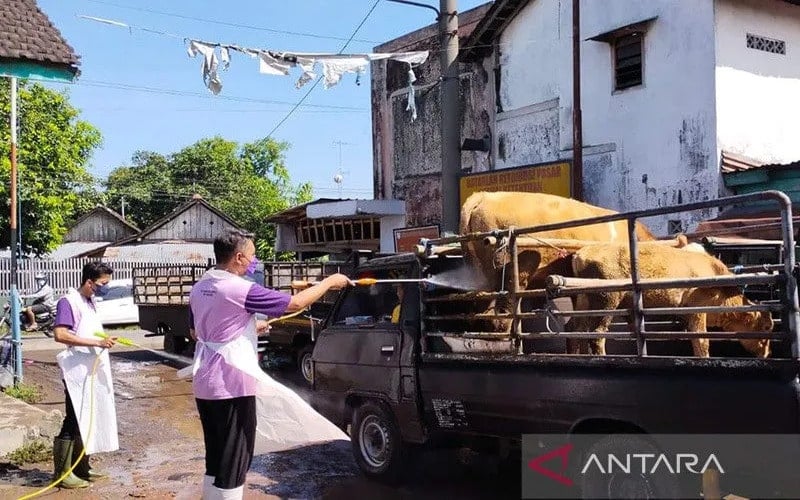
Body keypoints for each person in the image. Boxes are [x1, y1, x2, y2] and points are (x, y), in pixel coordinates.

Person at [189, 229, 351, 499]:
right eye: (252, 256)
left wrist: (251, 328)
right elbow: (295, 303)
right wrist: (329, 282)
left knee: (216, 453)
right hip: (231, 383)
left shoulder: (201, 286)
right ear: (239, 257)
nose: (255, 261)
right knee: (235, 457)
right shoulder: (237, 288)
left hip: (205, 382)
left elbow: (199, 332)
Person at [51, 262, 119, 489]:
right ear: (89, 282)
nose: (105, 287)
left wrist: (101, 339)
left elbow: (85, 331)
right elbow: (60, 334)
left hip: (89, 369)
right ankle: (62, 474)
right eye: (103, 284)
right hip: (76, 371)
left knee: (87, 418)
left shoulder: (89, 302)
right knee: (73, 419)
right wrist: (96, 342)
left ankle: (81, 466)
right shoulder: (68, 302)